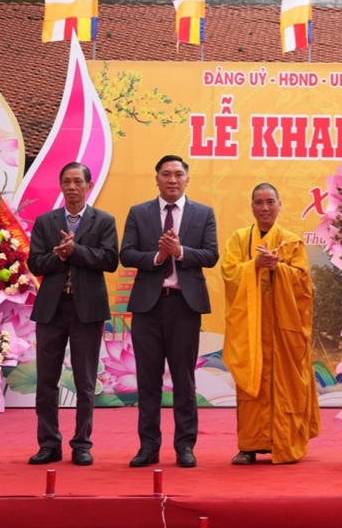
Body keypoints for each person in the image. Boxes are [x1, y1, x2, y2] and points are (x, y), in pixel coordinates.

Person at [120, 155, 219, 467]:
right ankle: (148, 447)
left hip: (184, 306)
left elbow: (211, 255)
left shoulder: (203, 213)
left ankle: (185, 447)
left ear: (187, 179)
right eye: (166, 174)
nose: (172, 179)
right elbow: (126, 254)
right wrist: (158, 257)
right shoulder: (139, 212)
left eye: (178, 174)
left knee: (183, 379)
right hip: (148, 306)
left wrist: (181, 252)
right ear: (157, 179)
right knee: (148, 380)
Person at [27, 162, 119, 466]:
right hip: (51, 309)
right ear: (61, 186)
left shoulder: (103, 220)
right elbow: (35, 263)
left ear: (89, 186)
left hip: (87, 309)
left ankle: (82, 444)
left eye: (78, 181)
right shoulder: (46, 221)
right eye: (66, 181)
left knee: (85, 381)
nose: (72, 187)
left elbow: (110, 260)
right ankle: (49, 444)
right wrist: (60, 255)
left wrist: (75, 251)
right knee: (46, 380)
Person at [221, 183, 320, 464]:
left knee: (286, 383)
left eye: (270, 202)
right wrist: (254, 265)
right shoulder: (239, 240)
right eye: (259, 202)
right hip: (251, 326)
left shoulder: (291, 242)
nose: (264, 208)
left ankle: (285, 442)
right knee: (251, 381)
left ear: (279, 205)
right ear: (252, 206)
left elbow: (304, 285)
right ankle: (249, 445)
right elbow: (229, 274)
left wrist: (279, 268)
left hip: (283, 328)